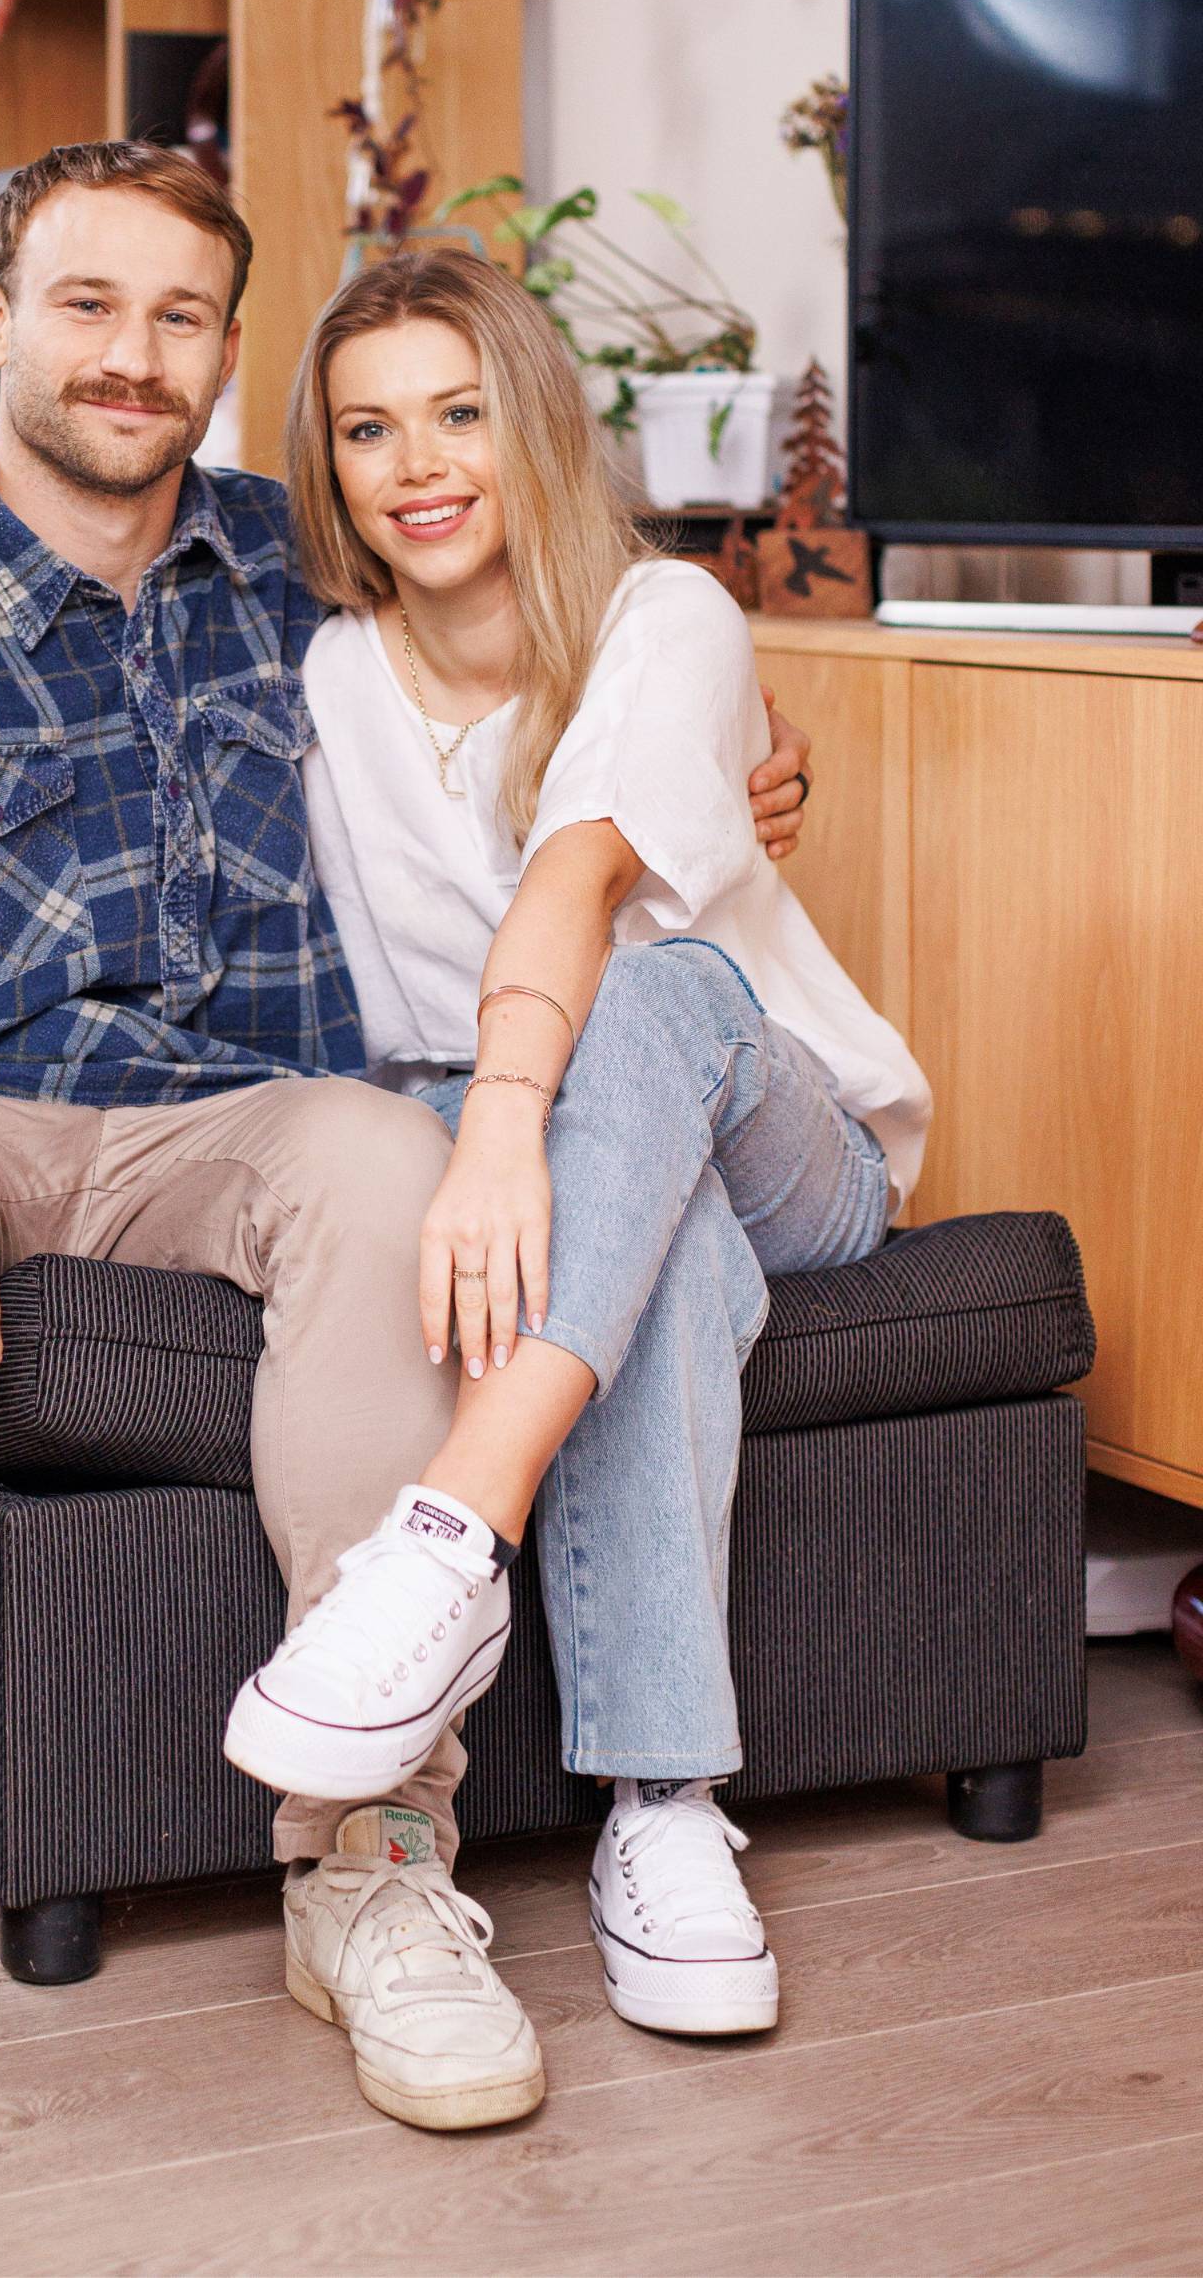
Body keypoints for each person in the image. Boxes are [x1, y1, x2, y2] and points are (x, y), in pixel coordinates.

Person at [0, 142, 813, 2131]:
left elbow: (537, 637)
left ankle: (368, 1855)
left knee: (388, 1165)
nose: (133, 353)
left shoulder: (310, 568)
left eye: (180, 316)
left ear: (225, 348)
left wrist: (727, 766)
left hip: (248, 1107)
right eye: (86, 304)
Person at [223, 245, 932, 2052]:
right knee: (655, 1242)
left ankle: (445, 1542)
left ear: (532, 423)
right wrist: (474, 1131)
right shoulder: (325, 676)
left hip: (784, 1128)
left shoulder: (663, 615)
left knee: (661, 986)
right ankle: (669, 1819)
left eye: (459, 412)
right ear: (330, 462)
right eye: (369, 428)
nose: (420, 462)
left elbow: (580, 882)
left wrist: (507, 1126)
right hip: (528, 1136)